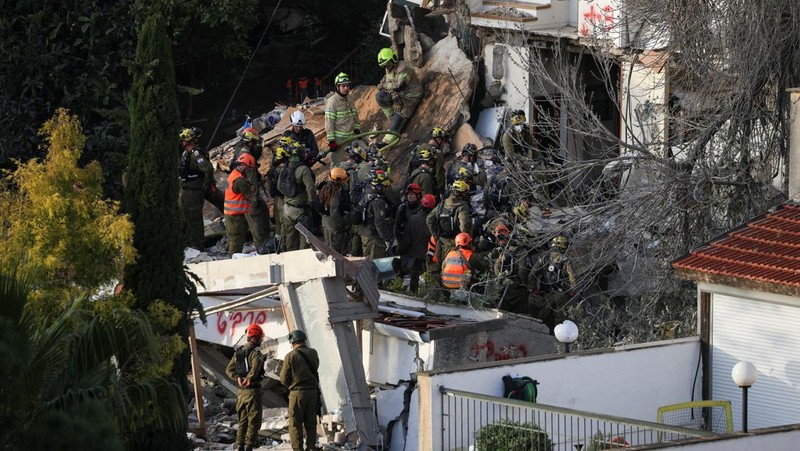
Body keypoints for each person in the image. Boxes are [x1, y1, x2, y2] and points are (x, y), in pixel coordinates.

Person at [179, 127, 222, 250]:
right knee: (186, 219)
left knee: (194, 220)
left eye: (183, 140)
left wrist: (206, 185)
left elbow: (207, 169)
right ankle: (190, 244)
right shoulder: (186, 153)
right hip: (188, 188)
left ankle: (197, 246)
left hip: (194, 189)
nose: (181, 142)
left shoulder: (195, 154)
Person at [225, 323, 265, 451]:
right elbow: (255, 369)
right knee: (254, 420)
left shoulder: (239, 351)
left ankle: (239, 445)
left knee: (242, 420)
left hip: (241, 393)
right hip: (253, 391)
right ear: (254, 337)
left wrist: (237, 378)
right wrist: (249, 379)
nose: (261, 340)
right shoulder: (255, 353)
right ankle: (249, 446)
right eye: (259, 337)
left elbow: (228, 370)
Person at [280, 329, 320, 451]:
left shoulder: (290, 356)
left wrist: (292, 384)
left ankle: (298, 448)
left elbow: (283, 378)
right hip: (313, 393)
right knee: (311, 423)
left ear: (292, 341)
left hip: (297, 393)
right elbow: (316, 367)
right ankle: (311, 447)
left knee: (295, 424)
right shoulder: (313, 353)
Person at [375, 48, 423, 147]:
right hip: (400, 94)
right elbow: (386, 80)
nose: (387, 67)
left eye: (387, 64)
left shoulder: (403, 67)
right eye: (384, 66)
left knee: (399, 117)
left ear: (393, 59)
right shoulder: (389, 68)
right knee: (380, 96)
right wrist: (393, 96)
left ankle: (386, 142)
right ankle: (392, 116)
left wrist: (385, 87)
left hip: (410, 97)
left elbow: (399, 86)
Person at [530, 235, 577, 329]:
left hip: (546, 293)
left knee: (544, 315)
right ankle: (557, 336)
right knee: (560, 318)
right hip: (562, 294)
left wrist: (533, 288)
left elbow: (533, 274)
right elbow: (572, 276)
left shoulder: (543, 259)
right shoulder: (566, 260)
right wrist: (573, 289)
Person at [277, 144, 319, 251]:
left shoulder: (285, 168)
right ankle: (302, 264)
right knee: (305, 239)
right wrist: (313, 202)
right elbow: (311, 189)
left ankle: (291, 263)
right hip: (301, 210)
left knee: (290, 238)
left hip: (287, 209)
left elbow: (279, 186)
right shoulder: (303, 169)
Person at [426, 180, 472, 273]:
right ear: (461, 193)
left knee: (441, 266)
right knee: (455, 267)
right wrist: (466, 241)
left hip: (442, 242)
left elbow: (429, 219)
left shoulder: (442, 204)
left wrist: (436, 235)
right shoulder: (462, 206)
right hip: (455, 243)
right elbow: (464, 226)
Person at [394, 184, 429, 293]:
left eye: (413, 195)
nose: (410, 197)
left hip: (417, 240)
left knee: (416, 267)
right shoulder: (402, 208)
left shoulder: (421, 208)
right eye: (409, 195)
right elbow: (397, 226)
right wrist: (400, 241)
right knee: (400, 263)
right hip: (405, 239)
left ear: (418, 196)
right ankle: (397, 285)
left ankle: (414, 290)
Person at [224, 153, 261, 255]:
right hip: (235, 215)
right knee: (237, 240)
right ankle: (233, 261)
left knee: (234, 239)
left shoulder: (233, 175)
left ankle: (231, 256)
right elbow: (250, 195)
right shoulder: (239, 180)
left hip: (231, 213)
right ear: (243, 165)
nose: (249, 170)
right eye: (249, 168)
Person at [355, 170, 394, 259]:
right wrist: (386, 238)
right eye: (385, 186)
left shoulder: (366, 194)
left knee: (367, 262)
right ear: (379, 186)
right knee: (375, 264)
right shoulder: (378, 201)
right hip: (374, 237)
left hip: (364, 234)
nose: (386, 188)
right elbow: (379, 222)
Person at [325, 72, 360, 165]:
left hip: (352, 136)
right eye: (343, 86)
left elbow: (354, 115)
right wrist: (331, 141)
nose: (346, 88)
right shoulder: (332, 102)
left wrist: (357, 129)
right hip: (339, 139)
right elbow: (329, 122)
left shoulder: (350, 98)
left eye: (347, 86)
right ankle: (333, 179)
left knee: (364, 154)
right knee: (335, 162)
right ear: (337, 87)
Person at [318, 167, 351, 254]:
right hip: (334, 225)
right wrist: (342, 223)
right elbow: (334, 211)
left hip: (325, 221)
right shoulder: (335, 193)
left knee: (329, 247)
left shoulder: (325, 188)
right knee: (335, 251)